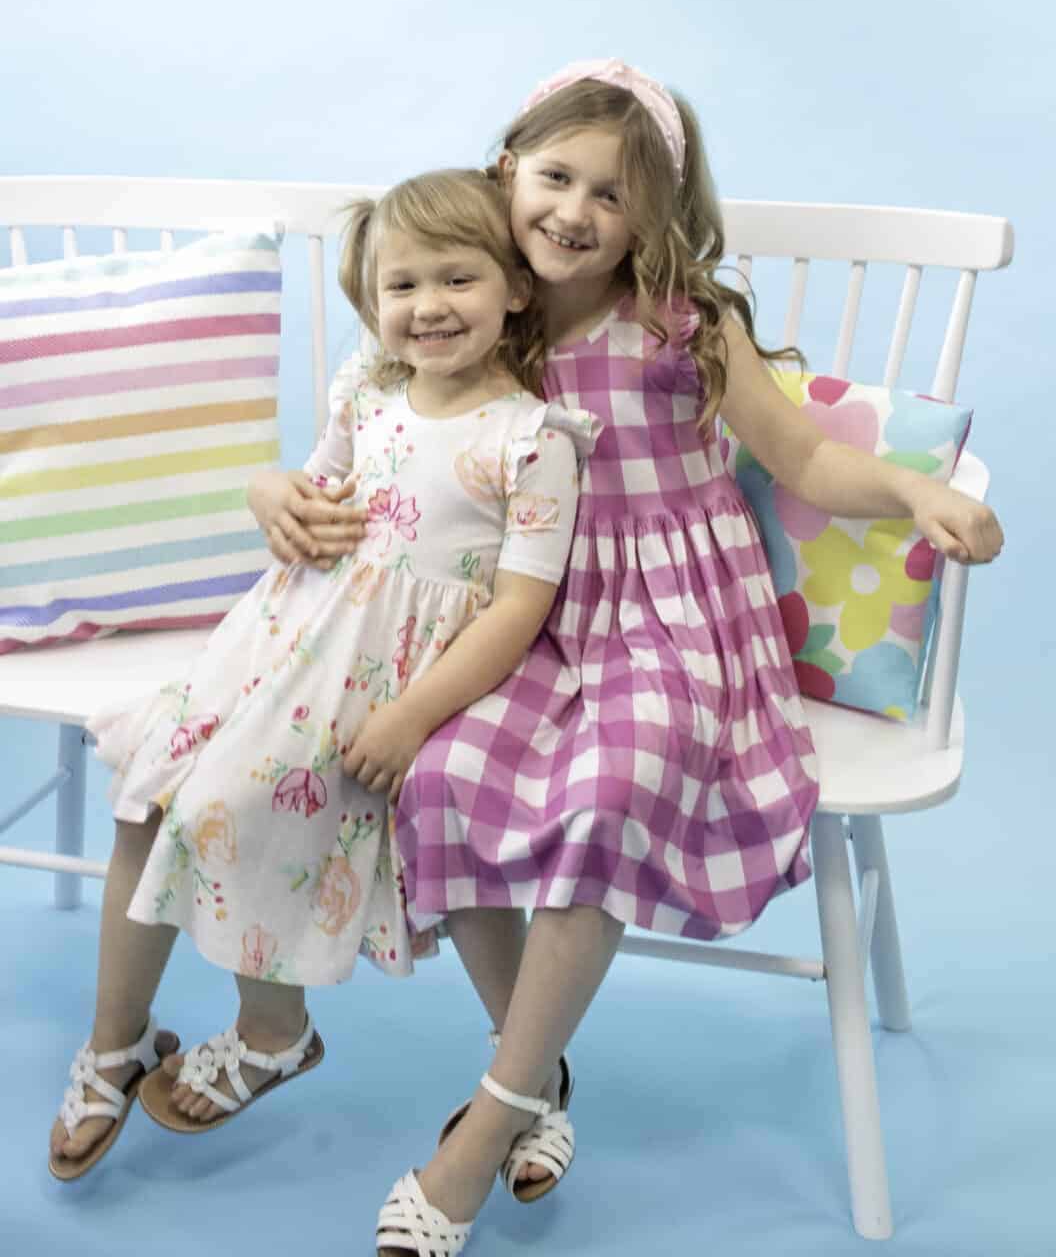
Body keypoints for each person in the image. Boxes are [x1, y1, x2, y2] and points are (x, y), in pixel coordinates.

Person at [374, 61, 1006, 1255]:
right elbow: (384, 433)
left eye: (612, 196)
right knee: (440, 777)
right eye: (556, 177)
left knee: (616, 790)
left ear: (651, 218)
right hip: (531, 610)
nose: (575, 212)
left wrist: (912, 487)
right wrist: (275, 491)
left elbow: (810, 464)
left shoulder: (683, 326)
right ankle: (541, 1080)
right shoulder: (483, 313)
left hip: (674, 618)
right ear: (509, 170)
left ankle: (489, 1117)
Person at [48, 168, 599, 1179]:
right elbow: (311, 489)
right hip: (280, 637)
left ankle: (283, 1033)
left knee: (228, 803)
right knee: (146, 795)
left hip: (389, 677)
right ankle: (115, 1040)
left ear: (516, 288)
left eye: (458, 278)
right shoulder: (366, 389)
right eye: (401, 286)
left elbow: (521, 607)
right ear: (369, 302)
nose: (428, 306)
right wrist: (272, 494)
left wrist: (408, 718)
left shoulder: (533, 440)